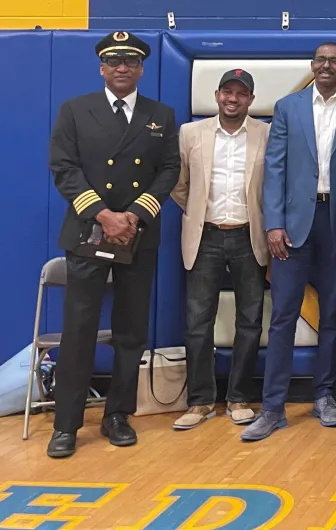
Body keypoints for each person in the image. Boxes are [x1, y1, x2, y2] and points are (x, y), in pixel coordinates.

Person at [45, 31, 180, 458]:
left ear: (142, 69)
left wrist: (134, 215)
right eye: (115, 60)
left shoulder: (162, 114)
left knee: (130, 331)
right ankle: (66, 424)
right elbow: (63, 168)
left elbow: (169, 169)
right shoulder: (75, 110)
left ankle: (117, 416)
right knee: (79, 331)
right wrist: (104, 215)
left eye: (131, 61)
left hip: (138, 235)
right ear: (102, 68)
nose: (123, 67)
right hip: (89, 232)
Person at [243, 41, 336, 442]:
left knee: (333, 314)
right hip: (293, 225)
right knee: (283, 315)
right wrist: (274, 224)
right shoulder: (288, 107)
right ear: (312, 65)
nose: (327, 66)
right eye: (321, 60)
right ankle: (272, 407)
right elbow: (275, 169)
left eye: (335, 61)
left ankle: (324, 396)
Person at [170, 68, 268, 431]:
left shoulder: (266, 134)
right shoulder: (191, 133)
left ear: (251, 101)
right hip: (205, 236)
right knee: (198, 323)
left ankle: (239, 398)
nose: (232, 99)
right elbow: (179, 184)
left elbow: (272, 185)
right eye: (227, 92)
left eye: (240, 94)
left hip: (248, 237)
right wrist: (198, 212)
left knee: (249, 321)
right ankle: (199, 402)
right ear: (216, 95)